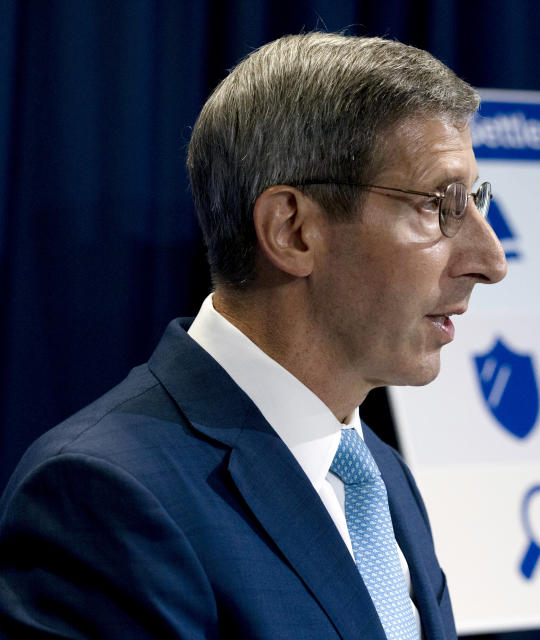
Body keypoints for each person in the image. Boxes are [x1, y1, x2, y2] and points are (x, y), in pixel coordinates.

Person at [0, 32, 507, 639]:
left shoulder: (380, 475)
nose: (490, 259)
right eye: (439, 204)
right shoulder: (103, 494)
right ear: (292, 229)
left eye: (475, 200)